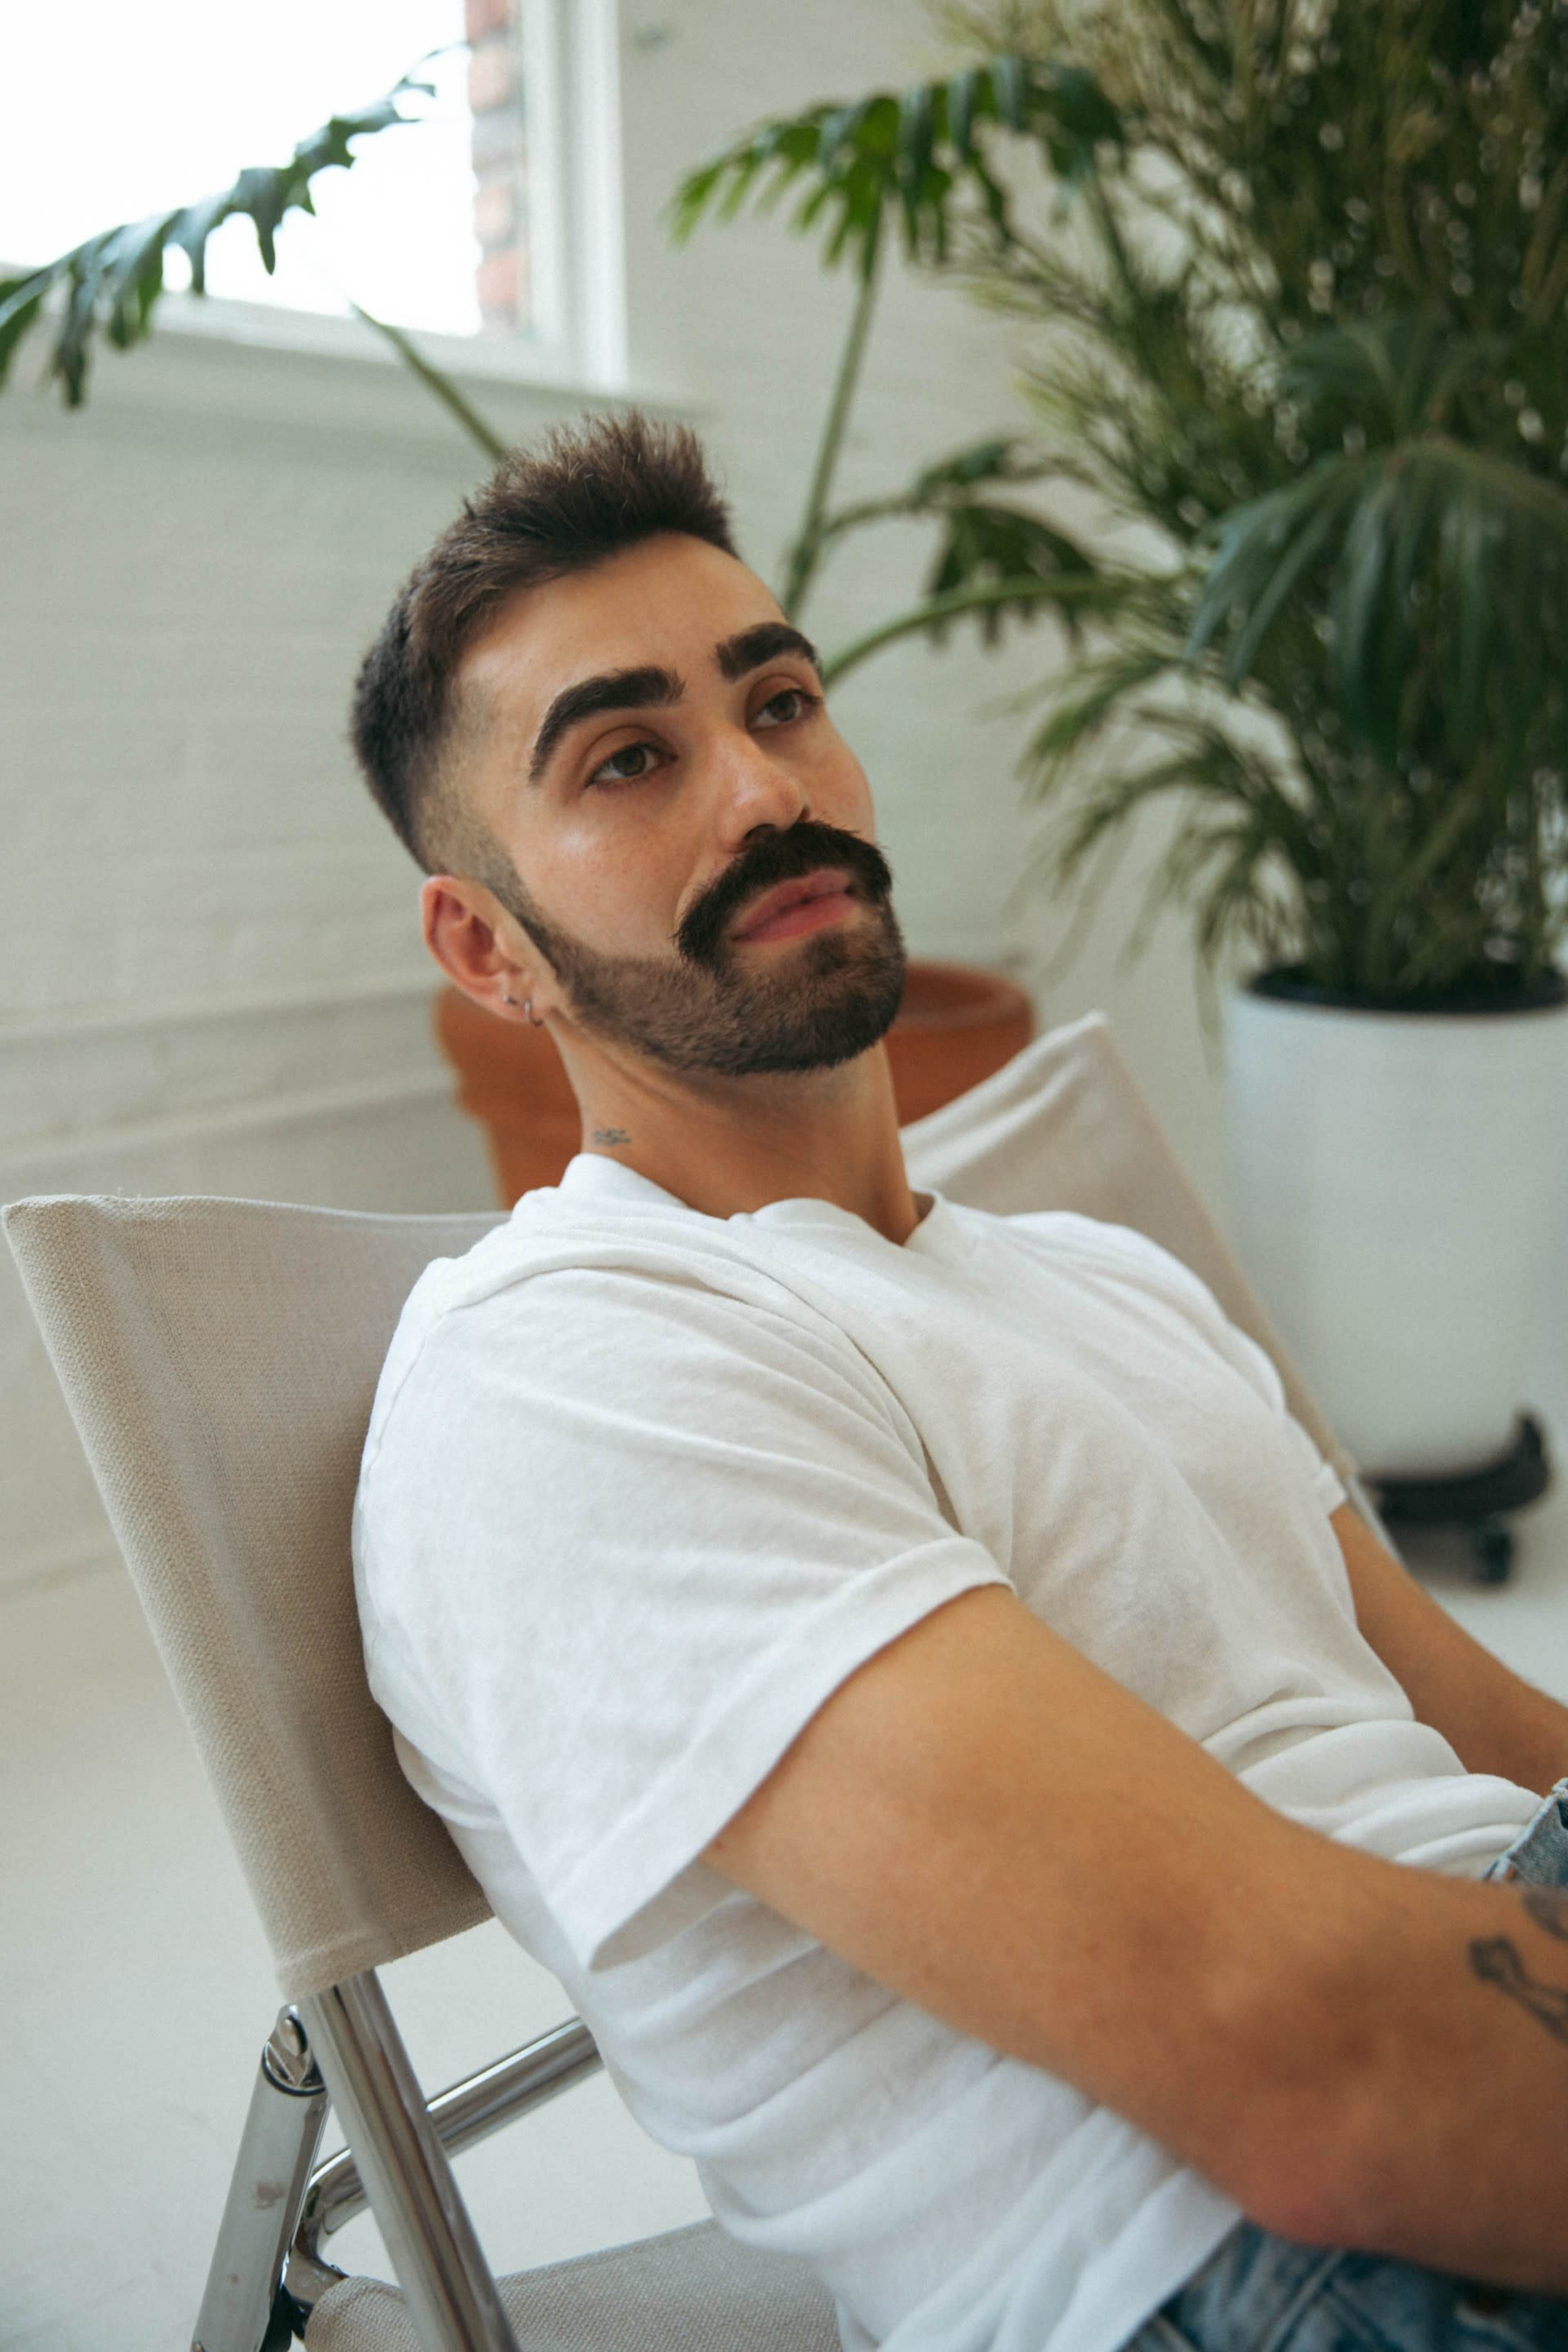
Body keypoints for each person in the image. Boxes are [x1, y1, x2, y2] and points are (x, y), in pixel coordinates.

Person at [348, 410, 1568, 2352]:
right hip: (1289, 2261)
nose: (762, 789)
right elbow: (1315, 2076)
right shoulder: (571, 1370)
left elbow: (1496, 1723)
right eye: (631, 758)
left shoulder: (1098, 1273)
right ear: (487, 950)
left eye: (784, 701)